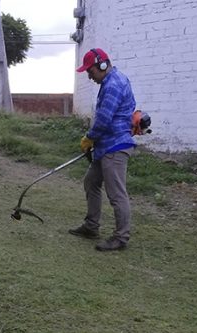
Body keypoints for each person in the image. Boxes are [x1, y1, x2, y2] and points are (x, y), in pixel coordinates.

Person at [69, 48, 136, 251]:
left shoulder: (114, 84)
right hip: (105, 145)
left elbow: (105, 119)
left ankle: (121, 237)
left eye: (90, 71)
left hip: (115, 146)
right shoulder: (108, 81)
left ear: (102, 65)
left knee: (116, 194)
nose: (89, 76)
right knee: (91, 182)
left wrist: (89, 138)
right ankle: (91, 226)